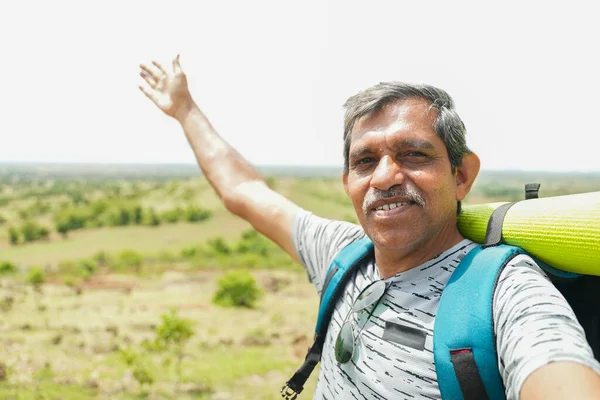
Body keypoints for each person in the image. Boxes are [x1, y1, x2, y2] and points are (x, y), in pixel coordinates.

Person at [138, 55, 600, 399]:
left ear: (461, 174)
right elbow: (243, 193)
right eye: (365, 161)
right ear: (348, 184)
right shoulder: (344, 252)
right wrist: (184, 108)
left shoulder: (504, 290)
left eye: (413, 154)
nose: (384, 177)